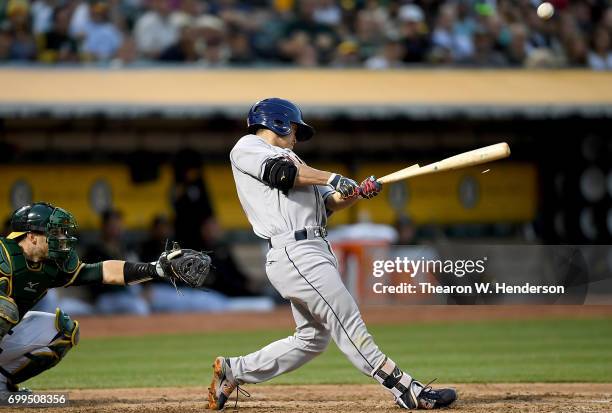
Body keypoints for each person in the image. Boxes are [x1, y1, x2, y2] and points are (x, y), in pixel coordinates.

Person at [207, 98, 457, 410]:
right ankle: (407, 389)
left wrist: (357, 192)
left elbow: (331, 203)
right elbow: (280, 175)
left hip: (313, 248)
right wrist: (331, 176)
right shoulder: (248, 147)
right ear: (278, 122)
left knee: (312, 339)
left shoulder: (297, 163)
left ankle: (235, 369)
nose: (297, 136)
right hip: (294, 251)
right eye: (295, 128)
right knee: (347, 318)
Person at [0, 202, 205, 392]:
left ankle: (2, 386)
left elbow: (103, 272)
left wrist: (155, 269)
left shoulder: (52, 263)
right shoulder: (4, 254)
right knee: (4, 307)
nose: (61, 238)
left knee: (63, 330)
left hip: (7, 334)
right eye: (53, 232)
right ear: (32, 236)